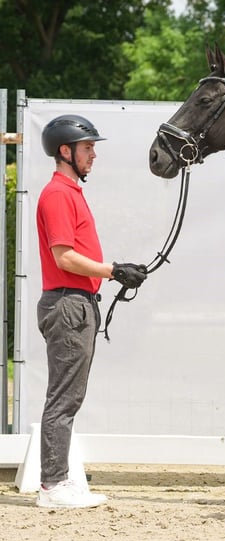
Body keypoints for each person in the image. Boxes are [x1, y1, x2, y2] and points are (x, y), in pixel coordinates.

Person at [35, 114, 147, 508]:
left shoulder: (70, 193)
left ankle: (59, 479)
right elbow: (64, 257)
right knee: (64, 397)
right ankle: (53, 486)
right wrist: (113, 271)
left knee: (70, 395)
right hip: (68, 303)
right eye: (87, 148)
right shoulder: (59, 195)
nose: (93, 155)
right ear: (65, 152)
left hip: (77, 303)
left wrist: (113, 272)